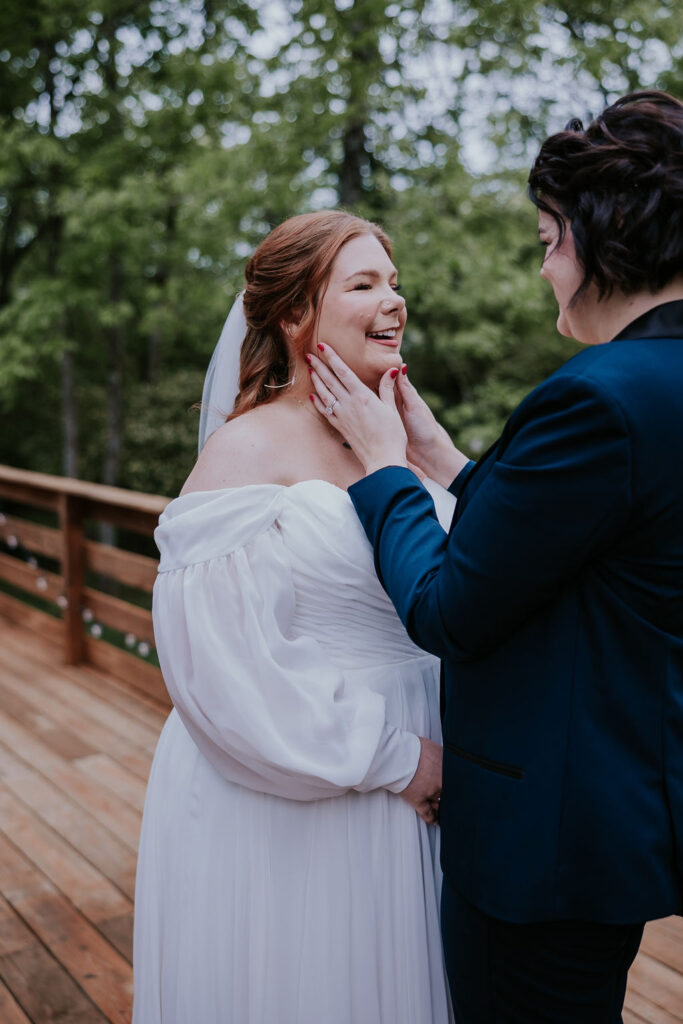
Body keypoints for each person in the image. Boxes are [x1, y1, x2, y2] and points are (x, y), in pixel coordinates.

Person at [307, 91, 683, 1021]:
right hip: (620, 815)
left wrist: (385, 468)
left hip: (540, 848)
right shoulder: (656, 390)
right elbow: (588, 543)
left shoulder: (596, 398)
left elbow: (447, 611)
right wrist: (442, 460)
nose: (546, 266)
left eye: (549, 239)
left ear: (601, 237)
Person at [132, 210, 456, 1024]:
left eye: (393, 281)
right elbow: (221, 665)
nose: (394, 301)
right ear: (292, 315)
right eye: (363, 284)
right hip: (315, 772)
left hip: (436, 752)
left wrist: (433, 454)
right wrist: (402, 760)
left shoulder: (396, 439)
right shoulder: (245, 451)